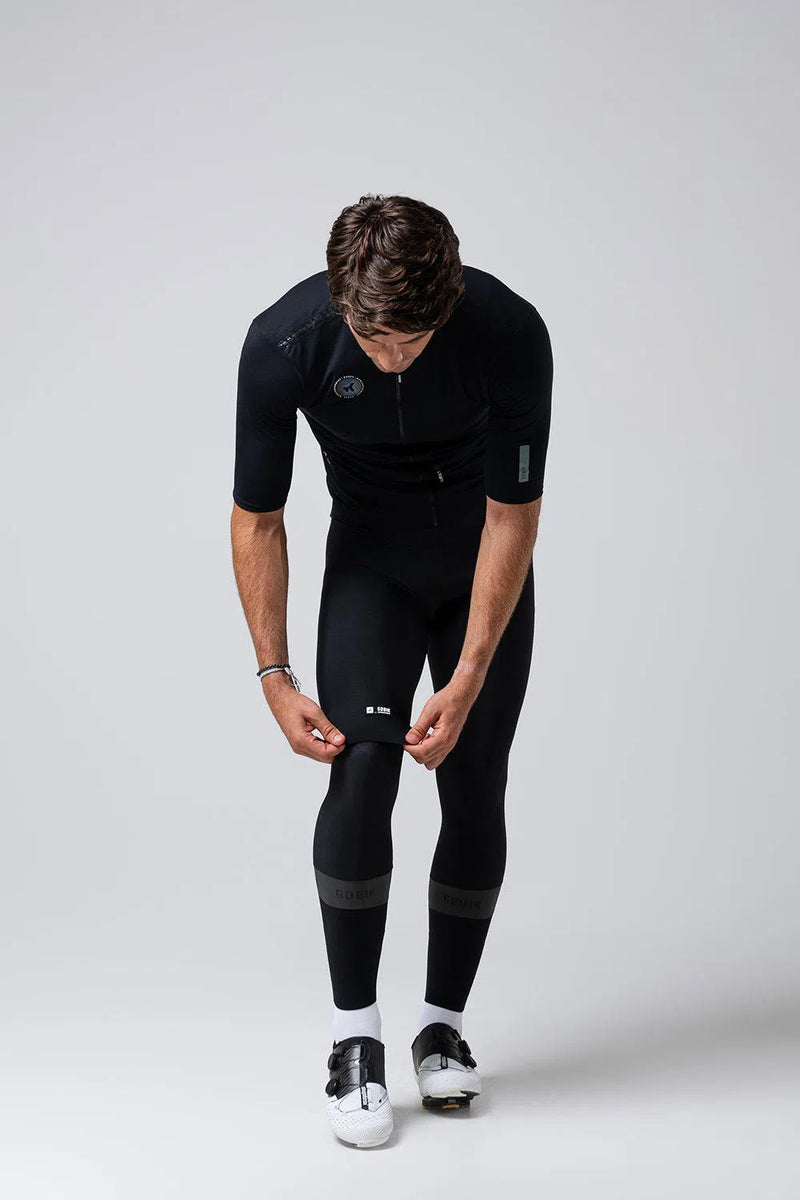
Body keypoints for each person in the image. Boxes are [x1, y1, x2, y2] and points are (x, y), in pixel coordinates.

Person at [230, 193, 553, 1148]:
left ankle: (441, 1028)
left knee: (474, 780)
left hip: (478, 565)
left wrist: (471, 670)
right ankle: (355, 1039)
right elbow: (258, 518)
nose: (394, 358)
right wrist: (275, 674)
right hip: (371, 566)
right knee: (362, 772)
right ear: (342, 305)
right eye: (375, 340)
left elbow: (515, 514)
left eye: (414, 340)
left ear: (448, 306)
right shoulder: (285, 343)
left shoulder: (508, 331)